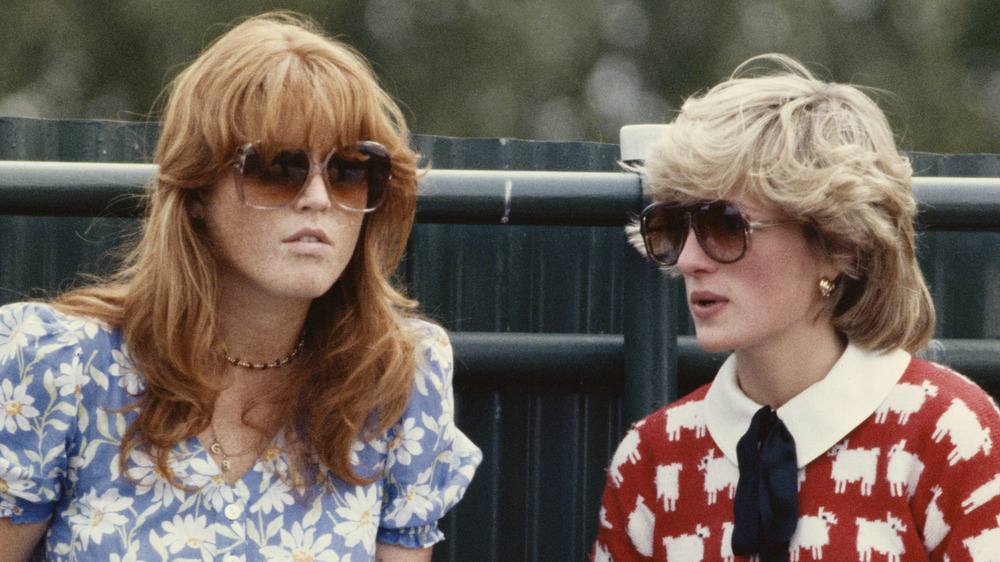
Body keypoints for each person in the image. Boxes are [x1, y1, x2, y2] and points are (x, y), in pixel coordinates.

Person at [0, 12, 481, 562]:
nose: (318, 198)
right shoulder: (58, 365)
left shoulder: (395, 380)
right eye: (278, 167)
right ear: (197, 191)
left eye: (349, 169)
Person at [593, 54, 1000, 561]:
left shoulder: (949, 434)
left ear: (838, 244)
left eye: (725, 226)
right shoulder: (652, 458)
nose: (690, 259)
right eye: (672, 228)